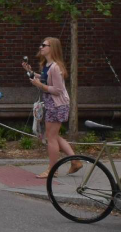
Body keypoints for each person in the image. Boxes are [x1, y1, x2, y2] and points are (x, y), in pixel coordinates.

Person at [22, 36, 80, 173]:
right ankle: (75, 161)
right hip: (52, 105)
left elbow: (58, 90)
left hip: (57, 105)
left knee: (51, 137)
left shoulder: (55, 67)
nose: (41, 47)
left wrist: (40, 85)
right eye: (41, 45)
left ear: (52, 48)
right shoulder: (46, 66)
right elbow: (43, 79)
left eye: (44, 45)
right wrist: (30, 73)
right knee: (54, 135)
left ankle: (52, 170)